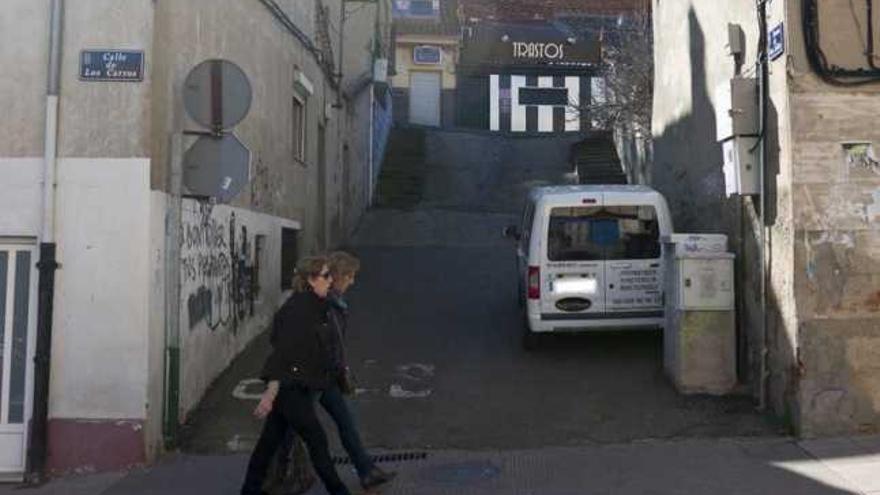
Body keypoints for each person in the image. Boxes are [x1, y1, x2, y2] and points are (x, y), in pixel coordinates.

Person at [240, 256, 352, 495]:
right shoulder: (298, 310)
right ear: (312, 280)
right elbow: (282, 353)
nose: (330, 280)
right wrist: (271, 393)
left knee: (267, 445)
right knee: (318, 442)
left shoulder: (316, 306)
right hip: (291, 390)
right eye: (325, 276)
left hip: (298, 387)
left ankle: (249, 491)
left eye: (330, 276)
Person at [321, 251, 396, 490]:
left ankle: (366, 471)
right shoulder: (324, 302)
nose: (353, 282)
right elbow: (324, 341)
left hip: (326, 376)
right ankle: (265, 478)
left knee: (346, 423)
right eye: (350, 276)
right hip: (313, 377)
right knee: (290, 432)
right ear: (339, 276)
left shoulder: (335, 302)